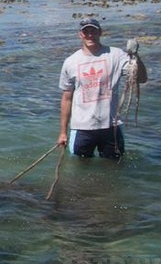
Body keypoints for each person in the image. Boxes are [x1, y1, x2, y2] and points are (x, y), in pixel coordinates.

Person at [57, 18, 147, 159]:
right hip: (82, 127)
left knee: (114, 169)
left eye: (93, 31)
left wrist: (136, 57)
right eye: (86, 31)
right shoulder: (70, 62)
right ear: (80, 34)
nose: (90, 35)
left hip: (111, 126)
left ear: (100, 32)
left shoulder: (116, 55)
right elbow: (66, 98)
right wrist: (63, 132)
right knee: (78, 170)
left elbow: (141, 79)